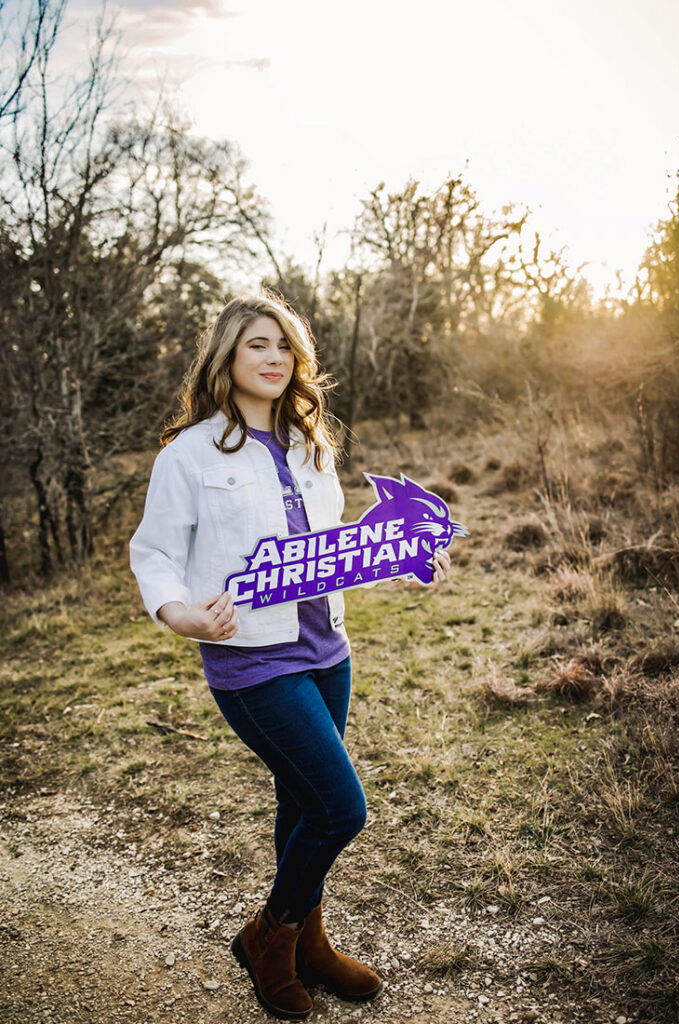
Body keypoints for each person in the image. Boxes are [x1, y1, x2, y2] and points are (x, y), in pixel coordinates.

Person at [129, 291, 451, 1020]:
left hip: (325, 650)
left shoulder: (311, 442)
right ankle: (267, 939)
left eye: (284, 346)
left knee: (299, 800)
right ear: (226, 358)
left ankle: (310, 943)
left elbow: (332, 545)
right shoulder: (190, 453)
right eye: (256, 346)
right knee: (340, 807)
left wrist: (392, 557)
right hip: (249, 658)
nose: (274, 358)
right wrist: (180, 614)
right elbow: (153, 552)